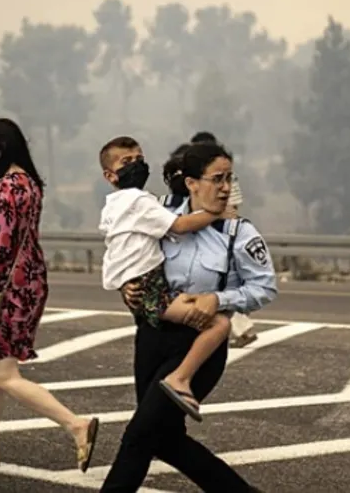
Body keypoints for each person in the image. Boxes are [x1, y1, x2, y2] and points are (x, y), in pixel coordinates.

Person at [100, 141, 277, 493]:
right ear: (192, 182)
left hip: (198, 348)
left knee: (139, 435)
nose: (226, 187)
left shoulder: (238, 233)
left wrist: (219, 298)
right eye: (217, 179)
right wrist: (126, 288)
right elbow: (128, 251)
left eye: (229, 178)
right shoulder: (160, 212)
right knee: (163, 438)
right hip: (151, 337)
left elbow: (265, 288)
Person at [0, 118, 100, 471]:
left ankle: (77, 426)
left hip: (4, 291)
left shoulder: (4, 189)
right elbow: (8, 231)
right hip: (24, 285)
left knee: (2, 374)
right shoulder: (26, 184)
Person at [97, 135, 231, 421]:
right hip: (150, 289)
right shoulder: (139, 201)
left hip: (145, 289)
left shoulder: (112, 206)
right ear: (110, 175)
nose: (137, 165)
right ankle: (180, 378)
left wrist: (123, 286)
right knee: (219, 324)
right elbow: (180, 225)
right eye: (127, 161)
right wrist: (215, 213)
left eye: (139, 158)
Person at [188, 131, 257, 349]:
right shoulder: (227, 176)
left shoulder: (218, 177)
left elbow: (229, 207)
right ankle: (240, 328)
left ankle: (240, 328)